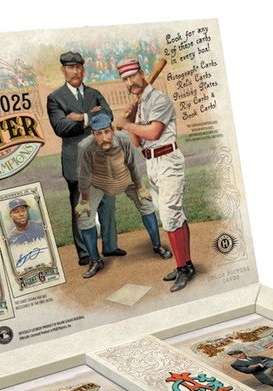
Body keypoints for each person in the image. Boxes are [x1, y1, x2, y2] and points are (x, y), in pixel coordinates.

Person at [114, 57, 194, 292]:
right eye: (125, 79)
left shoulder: (159, 99)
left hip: (168, 160)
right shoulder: (140, 104)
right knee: (173, 215)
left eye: (132, 76)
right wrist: (130, 120)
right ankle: (186, 265)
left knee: (169, 216)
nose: (130, 82)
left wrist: (126, 124)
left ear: (141, 73)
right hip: (152, 163)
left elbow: (154, 132)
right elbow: (138, 142)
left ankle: (182, 269)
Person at [46, 51, 122, 265]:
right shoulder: (55, 98)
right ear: (63, 70)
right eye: (70, 68)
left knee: (108, 202)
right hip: (76, 162)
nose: (75, 71)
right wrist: (93, 117)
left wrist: (81, 117)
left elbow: (108, 116)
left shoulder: (94, 93)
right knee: (80, 207)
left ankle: (110, 246)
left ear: (83, 69)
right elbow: (61, 127)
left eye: (78, 67)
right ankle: (86, 253)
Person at [75, 112, 171, 279]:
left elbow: (133, 165)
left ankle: (157, 247)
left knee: (146, 203)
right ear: (93, 134)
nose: (104, 137)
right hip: (98, 182)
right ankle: (95, 261)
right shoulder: (85, 147)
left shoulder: (124, 139)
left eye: (107, 132)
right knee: (84, 216)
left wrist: (140, 188)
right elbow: (83, 174)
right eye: (99, 133)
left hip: (125, 177)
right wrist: (84, 200)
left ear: (112, 129)